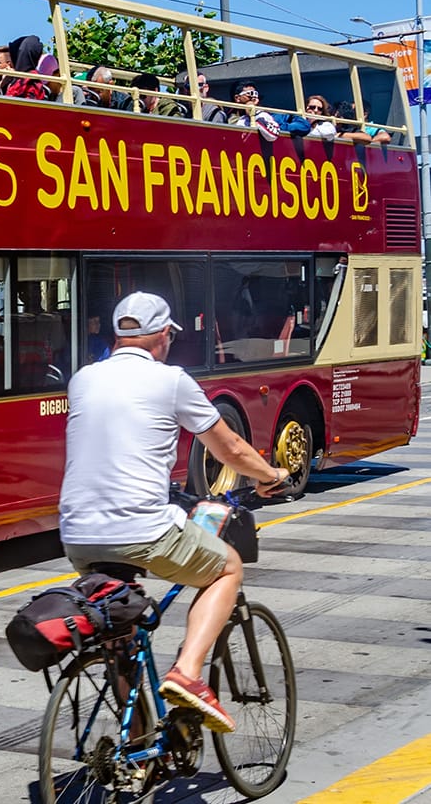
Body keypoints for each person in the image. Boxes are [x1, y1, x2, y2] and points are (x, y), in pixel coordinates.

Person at [60, 291, 288, 734]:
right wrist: (268, 474)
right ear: (164, 335)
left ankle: (137, 749)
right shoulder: (171, 380)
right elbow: (232, 448)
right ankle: (188, 672)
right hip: (141, 528)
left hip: (77, 532)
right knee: (226, 569)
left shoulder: (83, 378)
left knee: (119, 631)